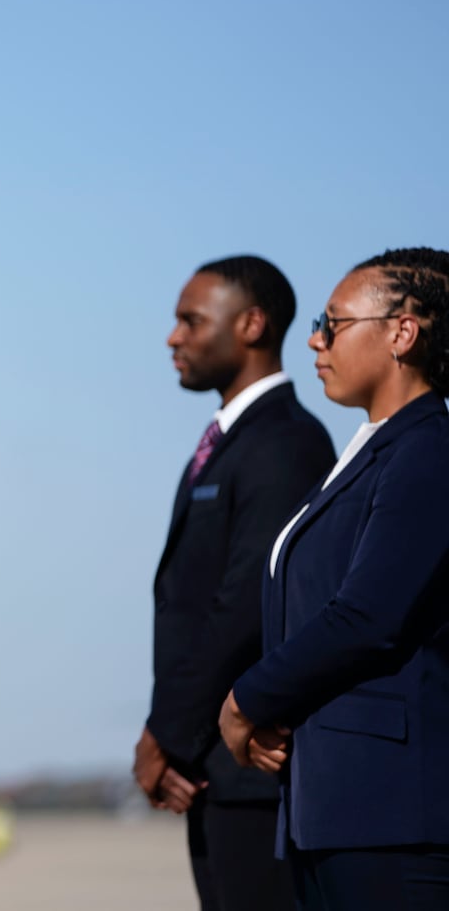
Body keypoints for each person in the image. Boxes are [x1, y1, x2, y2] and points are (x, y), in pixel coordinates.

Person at [219, 247, 449, 908]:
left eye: (334, 321)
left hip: (392, 816)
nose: (315, 339)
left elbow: (368, 616)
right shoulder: (371, 451)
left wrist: (246, 701)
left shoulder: (427, 451)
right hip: (330, 810)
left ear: (402, 332)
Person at [136, 256, 334, 910]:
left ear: (251, 324)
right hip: (211, 766)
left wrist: (165, 732)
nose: (174, 337)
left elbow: (248, 600)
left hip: (252, 770)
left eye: (191, 320)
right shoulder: (229, 439)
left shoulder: (285, 441)